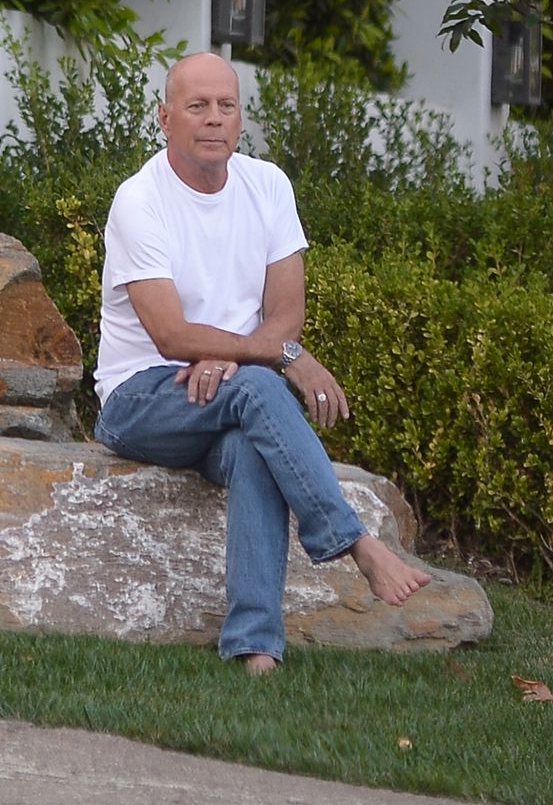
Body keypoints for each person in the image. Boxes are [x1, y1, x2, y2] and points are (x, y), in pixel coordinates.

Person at [94, 52, 431, 674]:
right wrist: (272, 359)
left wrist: (233, 354)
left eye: (226, 105)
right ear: (164, 118)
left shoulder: (267, 185)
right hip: (139, 399)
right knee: (257, 386)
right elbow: (169, 335)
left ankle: (255, 649)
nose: (214, 119)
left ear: (240, 116)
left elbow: (285, 317)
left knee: (256, 448)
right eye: (197, 106)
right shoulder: (139, 200)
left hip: (225, 390)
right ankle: (357, 544)